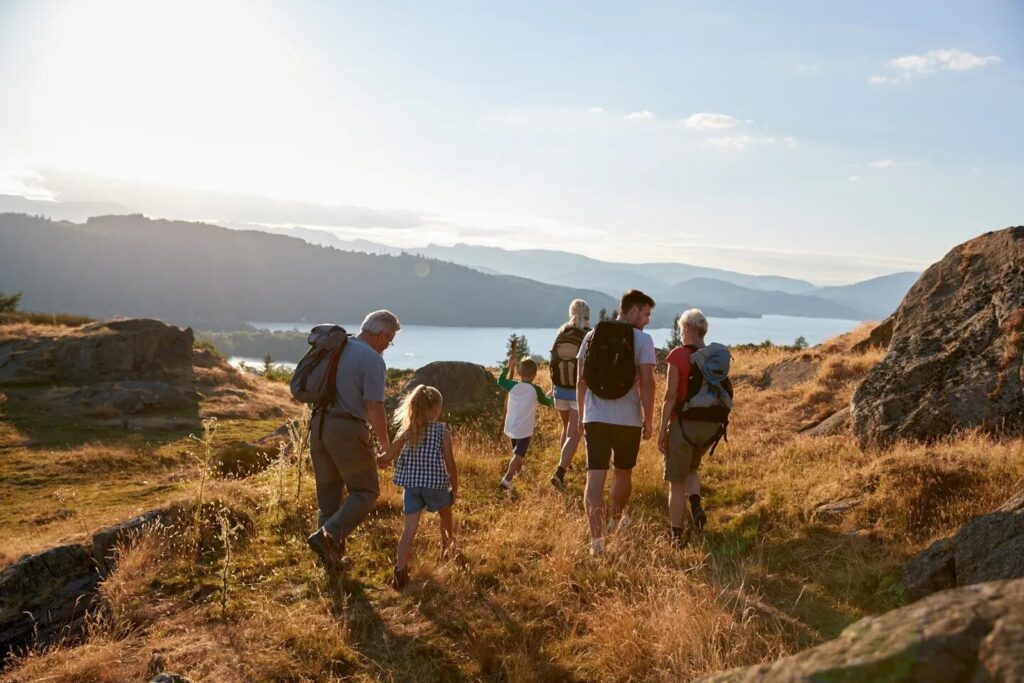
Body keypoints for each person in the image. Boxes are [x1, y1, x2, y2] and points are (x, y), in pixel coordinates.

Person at [306, 309, 400, 570]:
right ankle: (327, 537)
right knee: (366, 491)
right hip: (346, 429)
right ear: (381, 335)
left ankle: (331, 562)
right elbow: (374, 406)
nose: (388, 346)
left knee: (329, 500)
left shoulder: (339, 347)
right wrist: (386, 444)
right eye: (389, 340)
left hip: (318, 426)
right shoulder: (371, 359)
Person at [576, 289, 657, 557]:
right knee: (623, 473)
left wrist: (580, 416)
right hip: (628, 420)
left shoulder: (591, 336)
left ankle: (596, 542)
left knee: (595, 477)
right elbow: (648, 383)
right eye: (645, 314)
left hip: (595, 418)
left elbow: (581, 380)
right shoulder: (642, 341)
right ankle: (615, 520)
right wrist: (649, 419)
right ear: (633, 311)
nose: (646, 320)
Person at [377, 385, 458, 591]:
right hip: (436, 485)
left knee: (409, 529)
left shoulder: (407, 432)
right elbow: (451, 466)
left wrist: (372, 458)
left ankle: (400, 571)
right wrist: (454, 490)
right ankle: (448, 551)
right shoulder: (442, 432)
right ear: (434, 410)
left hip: (411, 487)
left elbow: (387, 457)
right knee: (445, 516)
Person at [657, 309, 726, 546]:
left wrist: (661, 429)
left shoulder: (678, 356)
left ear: (686, 329)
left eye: (681, 329)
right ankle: (696, 506)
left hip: (684, 425)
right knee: (692, 469)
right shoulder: (714, 357)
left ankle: (676, 536)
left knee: (676, 482)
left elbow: (669, 396)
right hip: (710, 428)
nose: (680, 333)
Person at [497, 351, 555, 492]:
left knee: (517, 452)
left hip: (511, 425)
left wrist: (508, 366)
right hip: (524, 429)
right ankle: (507, 478)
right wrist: (552, 394)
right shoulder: (536, 390)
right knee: (519, 454)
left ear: (518, 372)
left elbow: (500, 380)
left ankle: (516, 471)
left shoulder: (512, 385)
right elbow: (548, 403)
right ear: (535, 374)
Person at [549, 299, 591, 490]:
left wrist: (552, 387)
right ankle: (560, 471)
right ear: (587, 316)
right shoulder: (588, 335)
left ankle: (565, 462)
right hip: (576, 390)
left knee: (566, 428)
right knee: (574, 434)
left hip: (559, 389)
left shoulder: (562, 332)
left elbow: (552, 361)